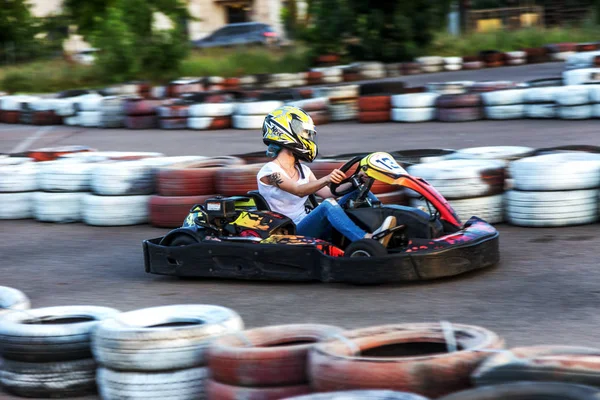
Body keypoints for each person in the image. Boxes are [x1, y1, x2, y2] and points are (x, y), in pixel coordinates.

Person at [256, 105, 397, 247]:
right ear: (283, 131)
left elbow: (329, 193)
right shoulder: (269, 172)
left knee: (359, 191)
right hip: (291, 231)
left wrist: (357, 180)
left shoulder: (303, 170)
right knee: (327, 206)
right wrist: (327, 178)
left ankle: (390, 222)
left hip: (310, 223)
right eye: (304, 132)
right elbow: (298, 190)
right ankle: (367, 239)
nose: (308, 138)